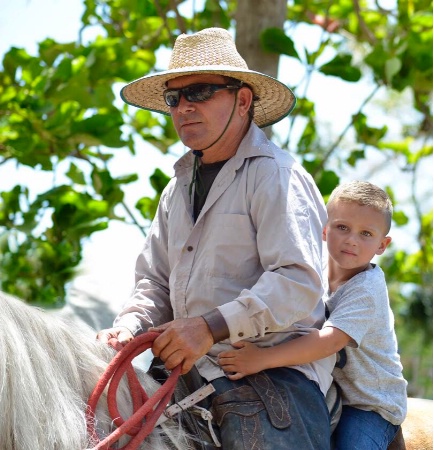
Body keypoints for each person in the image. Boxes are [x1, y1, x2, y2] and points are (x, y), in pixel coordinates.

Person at [97, 27, 335, 449]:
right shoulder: (176, 189)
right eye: (174, 98)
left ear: (243, 101)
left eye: (200, 92)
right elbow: (155, 282)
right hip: (182, 371)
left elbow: (298, 282)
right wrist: (128, 328)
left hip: (270, 376)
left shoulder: (275, 175)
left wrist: (209, 328)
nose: (184, 107)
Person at [218, 180, 408, 450]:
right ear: (324, 228)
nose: (352, 240)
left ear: (382, 245)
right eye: (342, 227)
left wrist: (261, 358)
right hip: (330, 388)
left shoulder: (366, 289)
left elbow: (330, 341)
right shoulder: (310, 268)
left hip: (369, 403)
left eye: (366, 233)